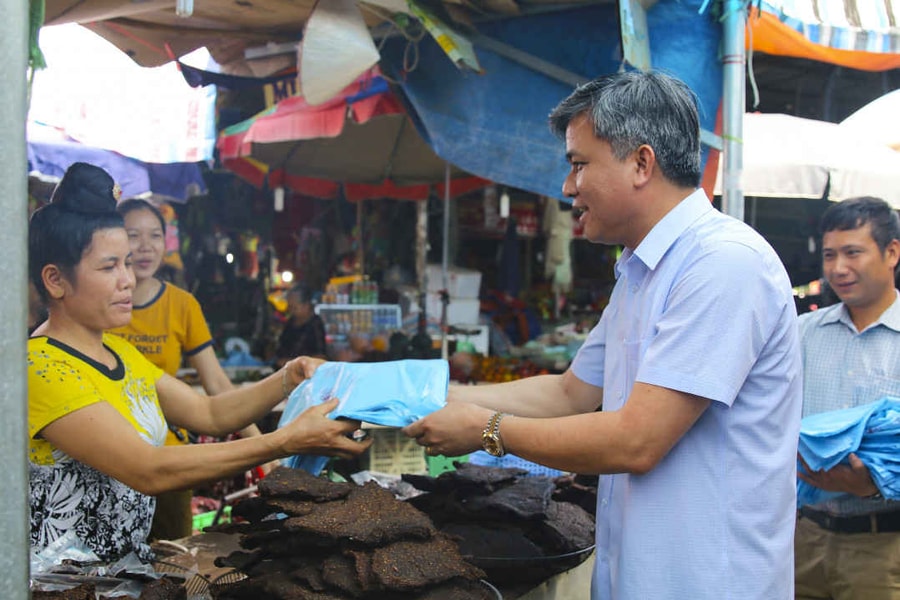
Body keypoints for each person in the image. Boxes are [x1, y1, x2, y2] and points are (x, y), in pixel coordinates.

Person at [403, 71, 802, 600]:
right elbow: (569, 393)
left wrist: (486, 429)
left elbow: (638, 440)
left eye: (578, 164)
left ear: (641, 163)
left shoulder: (723, 263)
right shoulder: (642, 269)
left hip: (708, 581)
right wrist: (419, 396)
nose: (567, 187)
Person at [27, 162, 371, 562]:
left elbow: (208, 411)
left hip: (125, 575)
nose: (128, 280)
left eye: (126, 262)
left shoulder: (118, 352)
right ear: (55, 280)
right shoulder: (40, 369)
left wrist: (286, 378)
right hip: (65, 584)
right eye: (109, 266)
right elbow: (146, 468)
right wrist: (282, 441)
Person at [109, 198, 272, 542]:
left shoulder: (182, 305)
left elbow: (217, 384)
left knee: (173, 560)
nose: (145, 247)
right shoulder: (98, 303)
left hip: (169, 457)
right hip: (108, 453)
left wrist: (264, 448)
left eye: (154, 235)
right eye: (132, 235)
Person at [794, 196, 900, 600]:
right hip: (803, 539)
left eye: (852, 253)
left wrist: (873, 484)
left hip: (882, 550)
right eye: (829, 255)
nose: (838, 268)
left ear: (892, 252)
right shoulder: (802, 333)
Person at [274, 285, 327, 367]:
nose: (290, 310)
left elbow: (320, 357)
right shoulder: (290, 323)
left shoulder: (315, 325)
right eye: (289, 307)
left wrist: (292, 362)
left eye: (294, 307)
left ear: (306, 305)